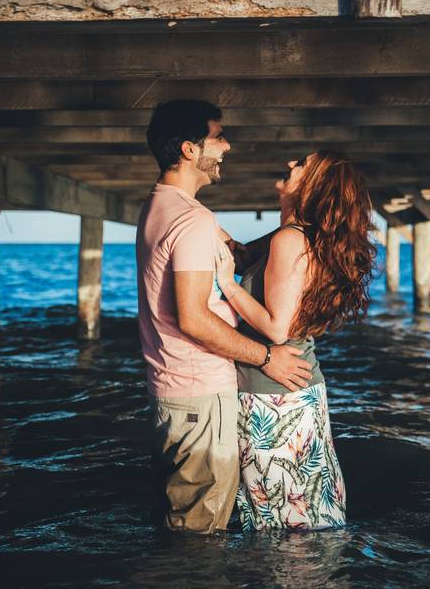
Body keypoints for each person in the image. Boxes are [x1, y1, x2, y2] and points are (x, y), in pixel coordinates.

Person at [136, 99, 314, 535]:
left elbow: (242, 254)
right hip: (199, 396)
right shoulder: (192, 220)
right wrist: (266, 357)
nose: (227, 146)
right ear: (189, 150)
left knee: (183, 519)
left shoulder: (161, 206)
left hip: (173, 393)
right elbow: (194, 319)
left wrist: (303, 227)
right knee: (200, 533)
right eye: (217, 137)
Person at [214, 150, 376, 530]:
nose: (290, 165)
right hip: (294, 392)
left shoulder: (290, 239)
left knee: (282, 518)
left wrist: (226, 287)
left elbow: (276, 329)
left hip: (276, 398)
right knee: (305, 513)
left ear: (312, 185)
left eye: (301, 165)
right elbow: (242, 256)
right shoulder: (293, 235)